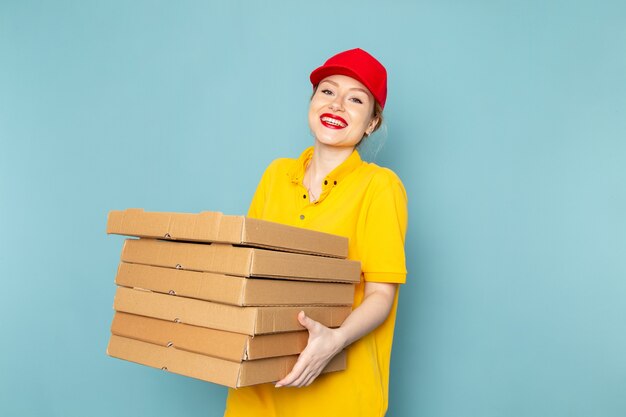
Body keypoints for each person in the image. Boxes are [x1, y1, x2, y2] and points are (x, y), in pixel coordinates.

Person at [224, 48, 408, 417]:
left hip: (336, 396)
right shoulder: (276, 176)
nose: (337, 104)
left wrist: (333, 341)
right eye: (328, 91)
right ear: (312, 102)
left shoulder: (379, 187)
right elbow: (248, 271)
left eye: (356, 99)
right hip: (258, 391)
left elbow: (380, 297)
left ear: (371, 123)